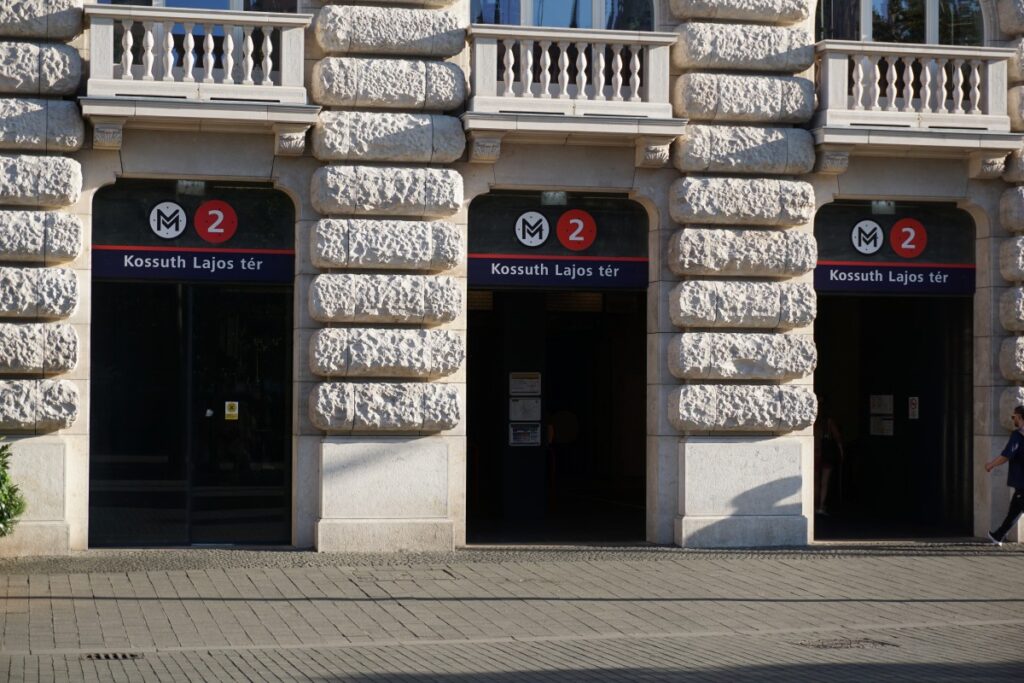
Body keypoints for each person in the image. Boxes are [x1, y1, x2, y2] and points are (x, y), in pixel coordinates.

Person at [985, 404, 1024, 545]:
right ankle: (998, 535)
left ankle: (998, 535)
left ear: (1019, 417)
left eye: (1014, 416)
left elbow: (1006, 455)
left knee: (1016, 508)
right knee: (1014, 511)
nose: (1013, 419)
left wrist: (991, 465)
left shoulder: (1018, 435)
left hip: (1022, 482)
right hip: (1021, 485)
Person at [814, 399, 844, 515]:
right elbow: (837, 438)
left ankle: (814, 506)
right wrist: (841, 452)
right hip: (826, 455)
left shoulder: (813, 422)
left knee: (815, 482)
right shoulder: (829, 422)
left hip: (815, 454)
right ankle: (821, 506)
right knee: (824, 482)